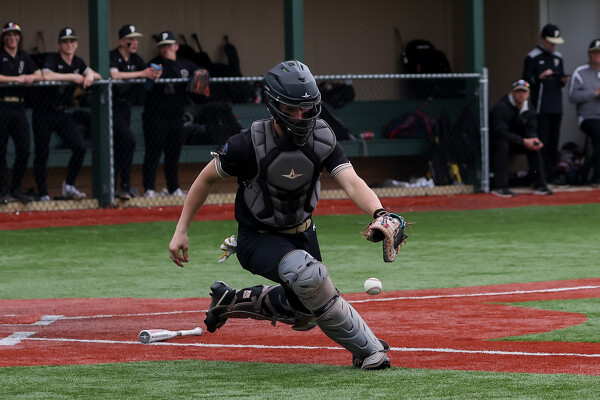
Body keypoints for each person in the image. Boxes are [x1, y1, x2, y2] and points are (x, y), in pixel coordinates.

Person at [169, 60, 405, 370]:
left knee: (304, 310)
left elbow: (351, 181)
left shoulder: (322, 137)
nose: (301, 116)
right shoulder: (247, 144)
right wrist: (181, 229)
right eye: (292, 109)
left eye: (307, 109)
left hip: (303, 233)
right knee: (311, 279)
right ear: (274, 105)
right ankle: (370, 350)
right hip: (257, 238)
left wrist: (380, 212)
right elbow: (205, 179)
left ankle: (228, 301)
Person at [32, 28, 101, 201]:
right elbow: (46, 75)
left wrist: (90, 75)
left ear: (76, 44)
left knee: (80, 146)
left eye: (71, 41)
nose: (68, 44)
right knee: (42, 152)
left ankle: (69, 185)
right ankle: (43, 193)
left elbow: (96, 74)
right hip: (43, 112)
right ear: (59, 44)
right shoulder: (52, 58)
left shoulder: (78, 62)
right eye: (65, 41)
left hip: (62, 112)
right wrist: (72, 77)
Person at [142, 30, 197, 198]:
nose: (166, 49)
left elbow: (199, 73)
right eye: (162, 46)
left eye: (169, 45)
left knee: (173, 154)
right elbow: (147, 87)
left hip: (176, 116)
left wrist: (200, 74)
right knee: (153, 152)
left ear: (176, 46)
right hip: (156, 116)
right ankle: (149, 189)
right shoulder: (155, 64)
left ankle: (173, 188)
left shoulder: (185, 64)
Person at [109, 24, 162, 200]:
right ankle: (114, 186)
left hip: (126, 107)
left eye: (136, 39)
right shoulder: (113, 56)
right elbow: (115, 75)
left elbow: (146, 72)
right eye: (131, 39)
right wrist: (142, 73)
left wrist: (154, 73)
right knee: (128, 141)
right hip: (111, 107)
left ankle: (123, 186)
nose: (135, 42)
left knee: (123, 146)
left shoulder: (135, 59)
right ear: (122, 41)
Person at [522, 23, 570, 185]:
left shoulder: (558, 57)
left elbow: (559, 80)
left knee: (553, 142)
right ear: (542, 39)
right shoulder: (532, 57)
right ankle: (538, 175)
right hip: (541, 107)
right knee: (541, 142)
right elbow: (525, 81)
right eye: (550, 42)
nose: (553, 45)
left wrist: (562, 80)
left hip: (556, 105)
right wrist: (539, 78)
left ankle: (551, 175)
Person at [0, 22, 41, 204]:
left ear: (19, 37)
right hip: (2, 106)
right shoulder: (0, 55)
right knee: (1, 151)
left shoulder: (24, 56)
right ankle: (3, 191)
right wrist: (17, 79)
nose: (12, 38)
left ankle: (15, 188)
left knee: (24, 149)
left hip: (19, 107)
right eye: (8, 35)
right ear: (3, 38)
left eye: (15, 35)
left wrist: (31, 77)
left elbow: (39, 74)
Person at [489, 79, 553, 197]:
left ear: (528, 94)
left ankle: (540, 185)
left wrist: (534, 140)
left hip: (519, 142)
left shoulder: (529, 108)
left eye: (524, 92)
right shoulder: (501, 107)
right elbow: (500, 132)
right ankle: (500, 186)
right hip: (499, 142)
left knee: (535, 148)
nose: (521, 95)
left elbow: (531, 131)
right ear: (512, 93)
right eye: (518, 91)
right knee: (503, 145)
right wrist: (523, 141)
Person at [568, 39, 600, 187]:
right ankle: (596, 177)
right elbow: (572, 97)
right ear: (589, 54)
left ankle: (589, 172)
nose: (597, 55)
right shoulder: (580, 72)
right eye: (595, 52)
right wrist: (594, 92)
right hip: (588, 117)